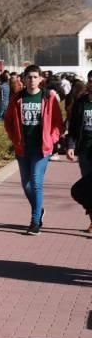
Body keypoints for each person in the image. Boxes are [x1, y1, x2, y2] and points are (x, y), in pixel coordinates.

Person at [4, 65, 63, 236]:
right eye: (29, 77)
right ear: (23, 79)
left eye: (35, 77)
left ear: (41, 79)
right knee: (26, 184)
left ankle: (35, 221)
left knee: (36, 182)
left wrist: (51, 140)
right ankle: (39, 209)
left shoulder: (48, 97)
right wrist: (14, 139)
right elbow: (8, 121)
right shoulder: (17, 98)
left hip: (41, 148)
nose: (31, 80)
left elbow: (58, 123)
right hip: (23, 147)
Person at [65, 70, 92, 231]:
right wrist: (70, 146)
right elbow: (73, 127)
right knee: (87, 188)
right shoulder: (81, 103)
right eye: (90, 80)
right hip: (85, 150)